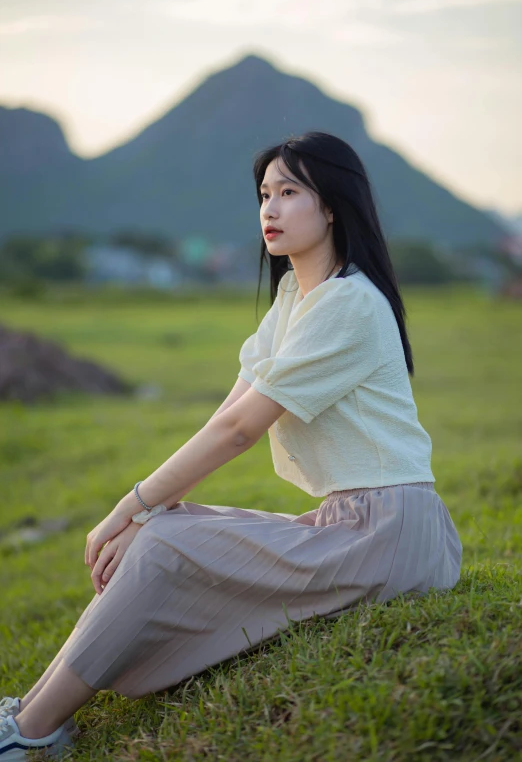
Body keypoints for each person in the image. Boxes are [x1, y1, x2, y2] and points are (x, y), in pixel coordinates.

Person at [0, 130, 463, 759]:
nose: (269, 209)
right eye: (264, 194)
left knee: (161, 541)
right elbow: (232, 409)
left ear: (331, 205)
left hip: (388, 532)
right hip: (356, 524)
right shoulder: (296, 297)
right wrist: (153, 508)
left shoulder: (349, 302)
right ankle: (28, 712)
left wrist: (129, 505)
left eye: (290, 192)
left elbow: (240, 432)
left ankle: (30, 737)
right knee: (167, 530)